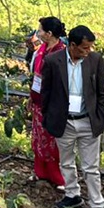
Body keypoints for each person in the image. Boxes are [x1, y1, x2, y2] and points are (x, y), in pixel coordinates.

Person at [39, 25, 104, 208]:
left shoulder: (95, 61)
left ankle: (97, 203)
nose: (88, 51)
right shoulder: (54, 61)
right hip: (65, 121)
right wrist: (49, 116)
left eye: (90, 48)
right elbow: (46, 92)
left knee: (90, 166)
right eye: (84, 48)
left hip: (88, 120)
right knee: (66, 162)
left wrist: (100, 116)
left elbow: (101, 92)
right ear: (72, 45)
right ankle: (72, 194)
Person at [29, 17, 66, 188]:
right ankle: (40, 171)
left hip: (53, 103)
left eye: (41, 30)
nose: (39, 33)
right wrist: (32, 96)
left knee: (51, 139)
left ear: (49, 34)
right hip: (38, 100)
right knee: (38, 136)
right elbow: (36, 75)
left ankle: (55, 175)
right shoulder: (42, 49)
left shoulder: (61, 53)